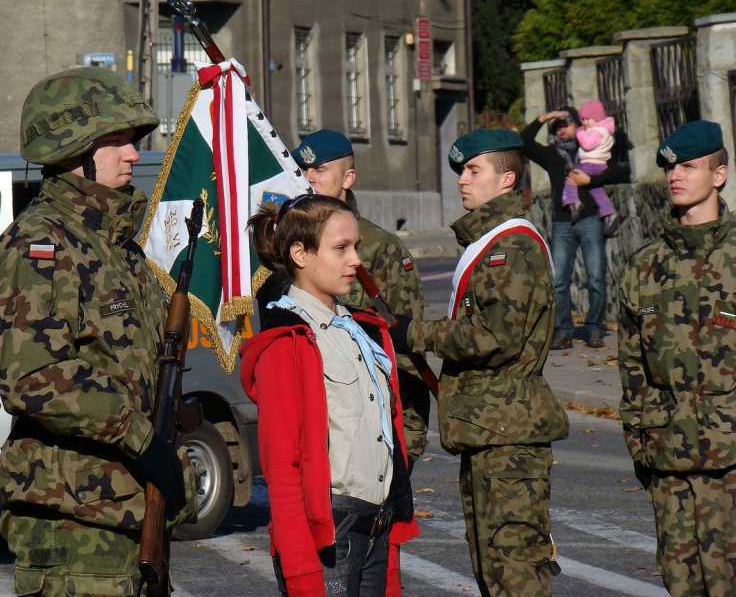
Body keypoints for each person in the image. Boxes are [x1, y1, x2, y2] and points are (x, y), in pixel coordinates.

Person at [0, 67, 197, 596]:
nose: (134, 153)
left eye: (134, 141)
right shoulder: (42, 243)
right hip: (74, 531)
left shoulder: (115, 246)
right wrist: (138, 436)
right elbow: (31, 372)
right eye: (118, 140)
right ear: (73, 149)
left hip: (124, 518)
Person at [387, 129, 568, 596]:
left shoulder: (514, 247)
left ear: (507, 179)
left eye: (474, 170)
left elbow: (496, 336)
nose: (463, 181)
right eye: (462, 172)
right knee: (493, 570)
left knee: (515, 572)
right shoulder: (488, 242)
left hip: (509, 435)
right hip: (491, 430)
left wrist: (417, 334)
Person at [240, 194, 418, 596]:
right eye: (341, 248)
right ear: (300, 254)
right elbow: (282, 468)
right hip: (329, 540)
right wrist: (301, 571)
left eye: (355, 246)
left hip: (377, 529)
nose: (355, 260)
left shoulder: (364, 331)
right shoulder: (287, 342)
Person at [618, 120, 736, 596]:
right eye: (670, 167)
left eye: (689, 166)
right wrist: (641, 440)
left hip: (730, 460)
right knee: (680, 584)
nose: (676, 176)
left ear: (719, 174)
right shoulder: (644, 265)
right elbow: (632, 368)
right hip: (667, 456)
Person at [278, 129, 430, 466]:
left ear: (348, 178)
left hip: (370, 432)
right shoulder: (287, 245)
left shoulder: (379, 248)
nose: (308, 179)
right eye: (302, 171)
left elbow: (404, 347)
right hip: (313, 426)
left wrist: (408, 440)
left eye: (319, 170)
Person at [521, 107, 620, 350]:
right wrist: (544, 117)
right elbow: (522, 142)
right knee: (558, 281)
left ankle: (594, 328)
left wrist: (590, 181)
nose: (562, 129)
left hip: (590, 219)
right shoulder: (551, 155)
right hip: (561, 222)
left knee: (596, 277)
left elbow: (617, 170)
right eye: (557, 126)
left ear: (578, 125)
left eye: (566, 124)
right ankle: (563, 331)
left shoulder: (592, 148)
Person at [561, 100, 619, 236]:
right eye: (582, 120)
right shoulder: (603, 130)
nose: (585, 123)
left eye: (587, 119)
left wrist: (580, 132)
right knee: (596, 189)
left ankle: (574, 202)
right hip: (598, 165)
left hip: (591, 164)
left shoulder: (598, 131)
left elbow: (587, 144)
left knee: (571, 178)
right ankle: (609, 213)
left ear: (597, 118)